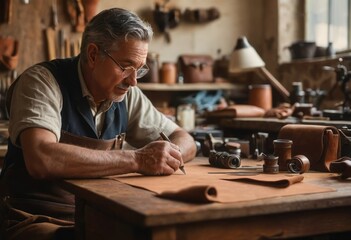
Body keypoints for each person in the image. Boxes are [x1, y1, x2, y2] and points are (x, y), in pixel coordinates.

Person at [0, 7, 197, 239]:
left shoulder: (126, 94)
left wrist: (168, 155)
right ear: (93, 55)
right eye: (125, 66)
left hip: (99, 213)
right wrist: (138, 159)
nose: (133, 81)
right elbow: (42, 158)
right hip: (33, 218)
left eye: (140, 69)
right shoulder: (42, 82)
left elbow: (186, 140)